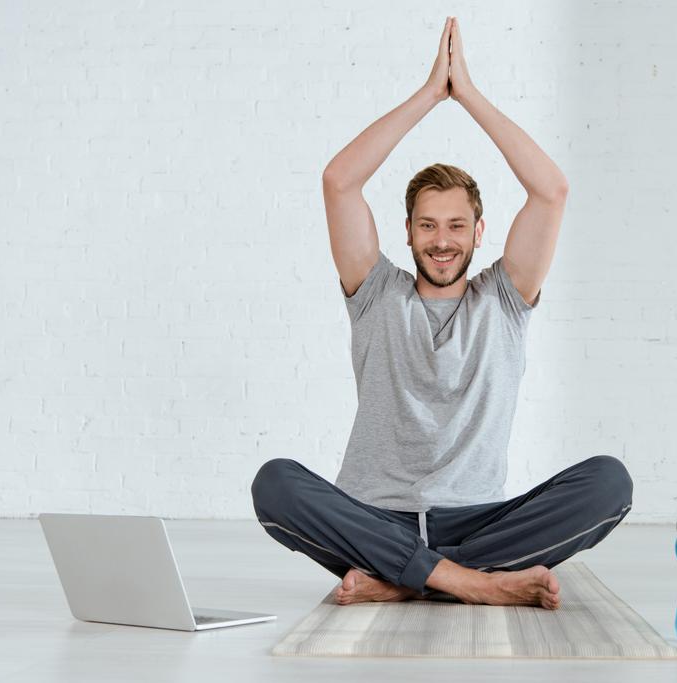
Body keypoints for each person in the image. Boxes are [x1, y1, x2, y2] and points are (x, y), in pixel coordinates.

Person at [251, 16, 632, 610]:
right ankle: (472, 583)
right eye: (428, 225)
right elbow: (339, 181)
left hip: (477, 523)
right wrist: (431, 95)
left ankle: (408, 580)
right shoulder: (376, 293)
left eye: (456, 226)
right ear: (406, 233)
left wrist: (469, 96)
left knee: (611, 482)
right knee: (274, 483)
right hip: (373, 522)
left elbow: (551, 189)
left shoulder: (504, 298)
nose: (442, 240)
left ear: (480, 232)